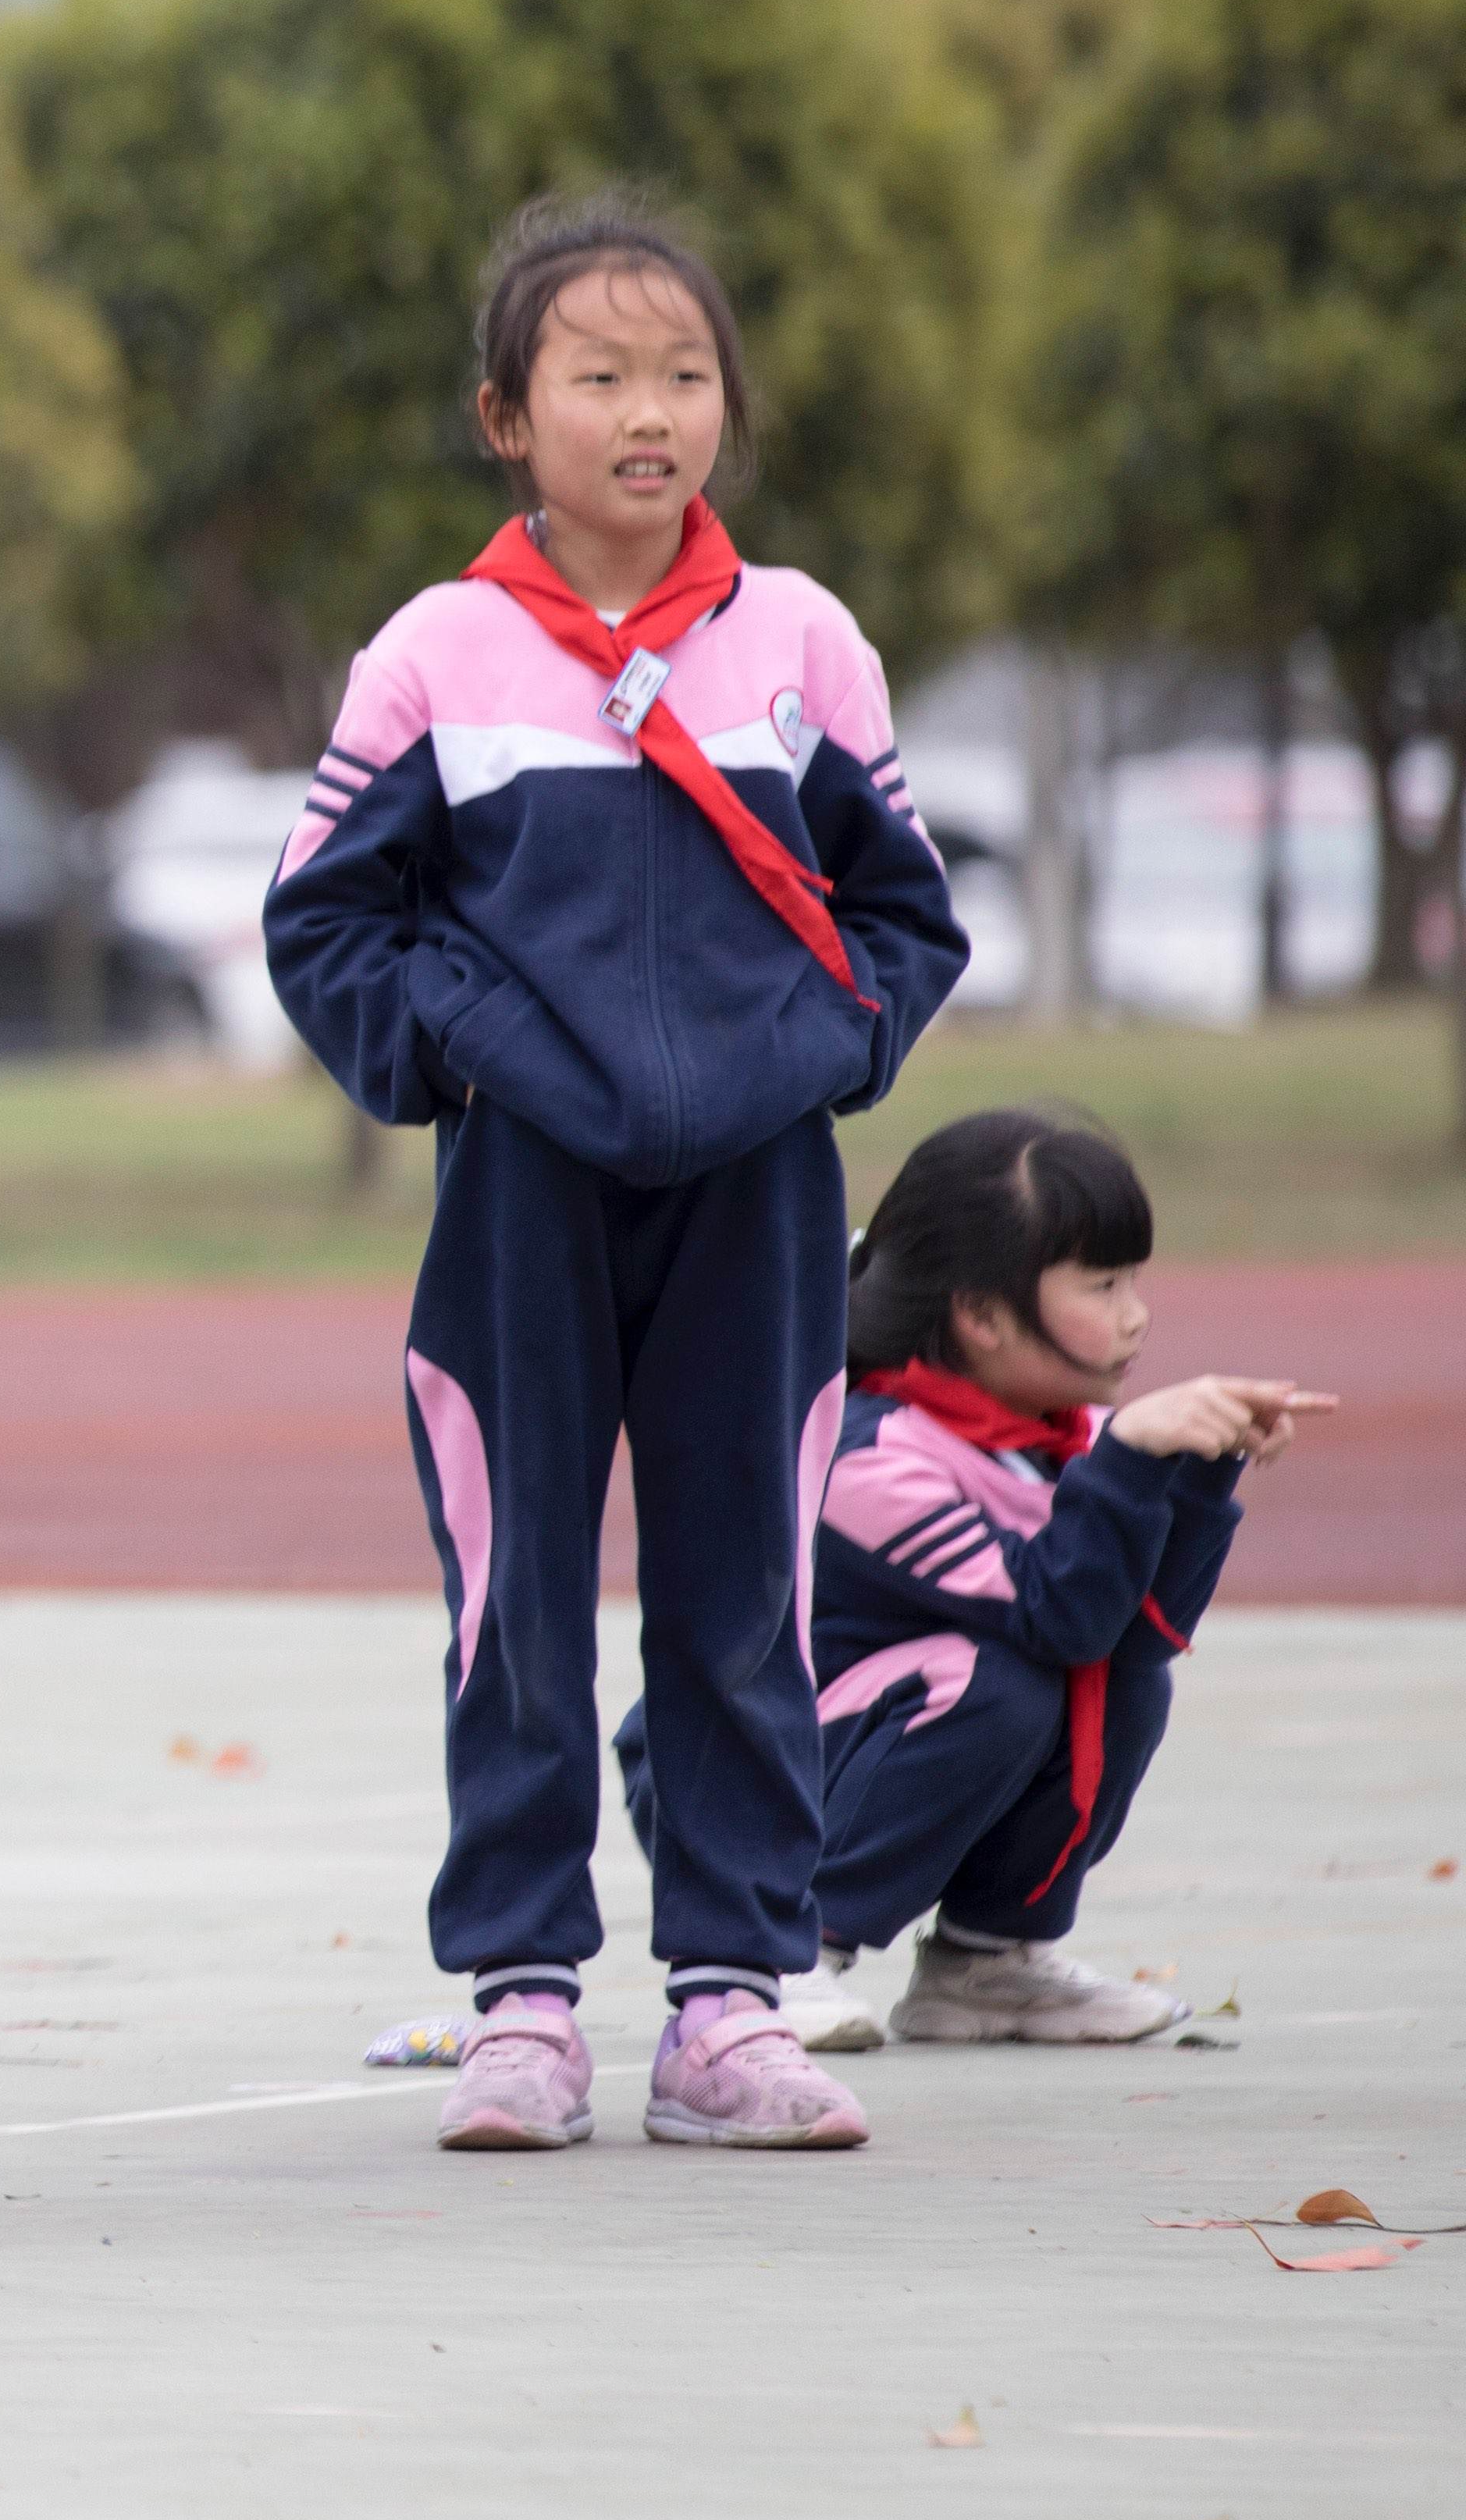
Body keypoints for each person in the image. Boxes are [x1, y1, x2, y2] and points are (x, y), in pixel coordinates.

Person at [266, 196, 972, 2157]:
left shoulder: (804, 644)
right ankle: (519, 1998)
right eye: (599, 376)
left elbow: (906, 917)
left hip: (759, 1205)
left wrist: (823, 1059)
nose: (648, 414)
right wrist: (465, 1060)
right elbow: (328, 921)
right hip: (520, 1200)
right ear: (510, 414)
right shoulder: (437, 651)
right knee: (512, 1599)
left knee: (749, 1599)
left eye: (683, 374)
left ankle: (734, 2004)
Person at [734, 1109, 1325, 2051]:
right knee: (998, 1682)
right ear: (978, 1312)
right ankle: (774, 1953)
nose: (1136, 1312)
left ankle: (987, 1962)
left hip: (884, 1724)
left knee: (1129, 1684)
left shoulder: (1049, 1438)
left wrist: (1206, 1469)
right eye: (1101, 1283)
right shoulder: (873, 1457)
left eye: (1133, 1279)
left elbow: (1135, 1635)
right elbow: (1061, 1613)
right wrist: (1133, 1457)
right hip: (739, 1778)